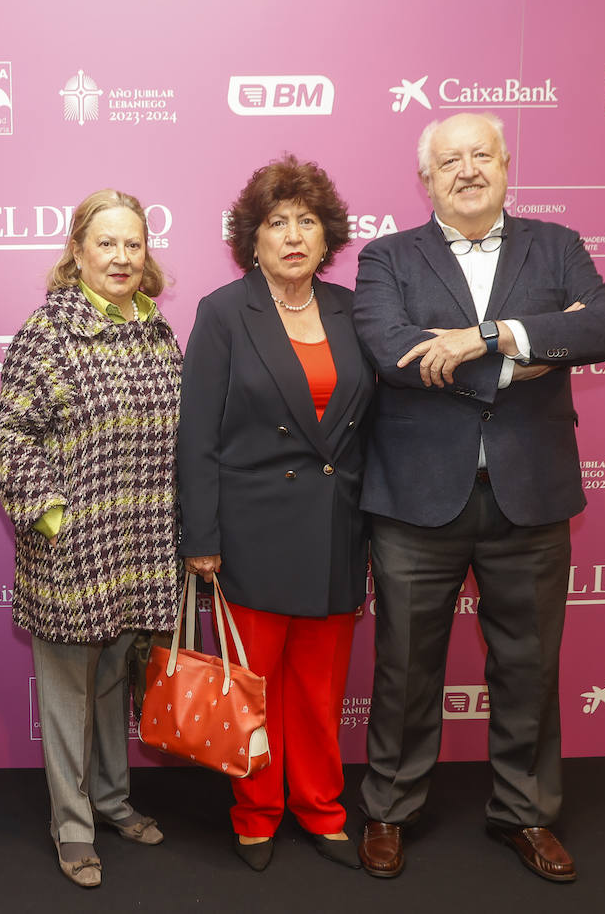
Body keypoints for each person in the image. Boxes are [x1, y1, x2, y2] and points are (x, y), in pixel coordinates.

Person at [350, 112, 605, 883]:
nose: (468, 170)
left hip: (530, 496)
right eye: (450, 161)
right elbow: (394, 351)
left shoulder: (558, 245)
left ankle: (527, 813)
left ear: (506, 165)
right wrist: (532, 352)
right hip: (415, 502)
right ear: (426, 180)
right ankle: (390, 810)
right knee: (405, 668)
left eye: (481, 156)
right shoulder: (387, 257)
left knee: (529, 668)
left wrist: (487, 336)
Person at [177, 155, 374, 873]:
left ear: (328, 238)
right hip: (250, 535)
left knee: (320, 695)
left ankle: (322, 808)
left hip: (336, 529)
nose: (293, 236)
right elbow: (196, 435)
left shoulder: (357, 311)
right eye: (276, 223)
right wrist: (201, 537)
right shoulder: (225, 313)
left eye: (307, 222)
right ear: (251, 240)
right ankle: (256, 811)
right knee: (251, 689)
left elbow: (376, 426)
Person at [0, 189, 182, 888]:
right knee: (68, 698)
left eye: (133, 244)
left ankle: (112, 801)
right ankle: (73, 828)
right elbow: (12, 435)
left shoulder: (160, 332)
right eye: (107, 243)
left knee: (111, 689)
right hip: (72, 551)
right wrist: (51, 519)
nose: (122, 257)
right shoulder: (48, 332)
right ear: (77, 253)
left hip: (142, 547)